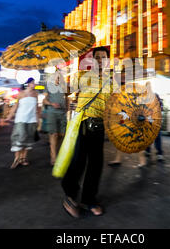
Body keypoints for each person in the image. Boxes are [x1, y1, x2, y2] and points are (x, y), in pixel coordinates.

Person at [61, 46, 111, 218]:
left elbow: (112, 105)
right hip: (83, 124)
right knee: (79, 161)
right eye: (97, 57)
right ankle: (70, 195)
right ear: (92, 60)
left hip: (99, 126)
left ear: (107, 61)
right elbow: (68, 92)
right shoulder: (82, 76)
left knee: (96, 164)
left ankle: (90, 199)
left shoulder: (111, 82)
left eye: (103, 57)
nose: (100, 60)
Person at [8, 78, 40, 169]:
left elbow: (36, 108)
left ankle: (23, 158)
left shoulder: (35, 94)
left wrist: (38, 119)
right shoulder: (21, 94)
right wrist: (9, 116)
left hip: (32, 119)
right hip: (21, 119)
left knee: (29, 138)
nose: (35, 84)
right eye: (33, 83)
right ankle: (17, 158)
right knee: (19, 138)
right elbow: (15, 106)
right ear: (29, 84)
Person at [43, 72, 68, 166]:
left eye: (60, 77)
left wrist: (67, 109)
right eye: (56, 77)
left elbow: (66, 98)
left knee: (62, 134)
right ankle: (53, 157)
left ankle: (54, 151)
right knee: (53, 134)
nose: (58, 79)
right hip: (52, 112)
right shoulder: (49, 86)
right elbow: (44, 100)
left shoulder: (64, 86)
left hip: (62, 113)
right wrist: (51, 104)